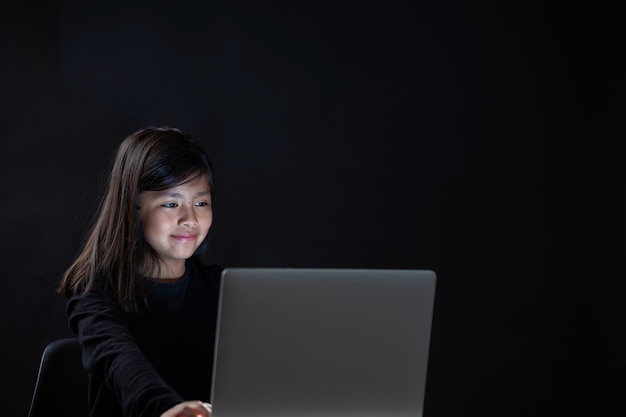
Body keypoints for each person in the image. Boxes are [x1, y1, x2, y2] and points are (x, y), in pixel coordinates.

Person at [58, 126, 221, 417]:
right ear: (133, 206)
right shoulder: (93, 290)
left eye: (201, 202)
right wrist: (168, 408)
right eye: (171, 203)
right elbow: (119, 359)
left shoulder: (224, 288)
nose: (190, 219)